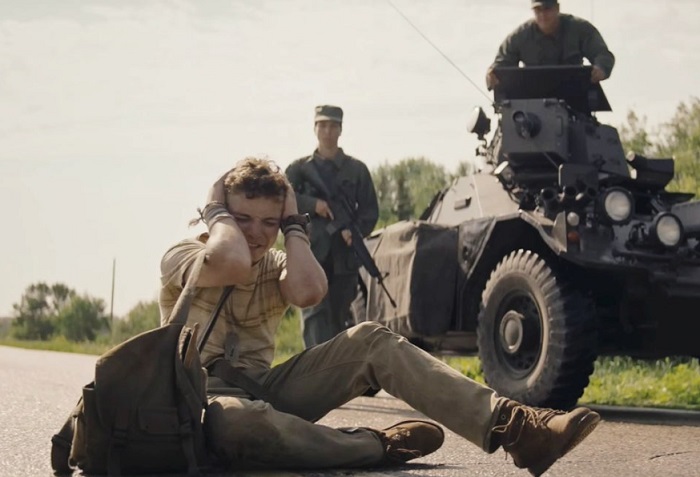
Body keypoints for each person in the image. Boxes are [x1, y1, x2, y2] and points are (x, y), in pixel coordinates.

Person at [159, 156, 601, 475]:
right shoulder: (185, 255)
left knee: (371, 340)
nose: (256, 234)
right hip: (198, 403)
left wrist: (294, 224)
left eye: (268, 223)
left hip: (265, 391)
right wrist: (216, 214)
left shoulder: (278, 263)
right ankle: (375, 445)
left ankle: (518, 430)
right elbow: (232, 263)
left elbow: (309, 291)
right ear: (219, 215)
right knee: (239, 423)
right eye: (242, 218)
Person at [285, 105, 379, 348]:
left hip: (343, 258)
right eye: (323, 125)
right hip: (310, 254)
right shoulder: (298, 170)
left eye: (333, 126)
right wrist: (312, 204)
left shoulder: (356, 170)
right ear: (315, 128)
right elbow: (282, 203)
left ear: (340, 130)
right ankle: (315, 368)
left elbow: (370, 211)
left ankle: (338, 369)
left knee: (341, 319)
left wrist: (355, 231)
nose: (328, 131)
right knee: (314, 317)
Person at [486, 0, 615, 90]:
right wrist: (493, 74)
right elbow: (502, 63)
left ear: (557, 8)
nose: (542, 15)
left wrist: (600, 69)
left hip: (574, 96)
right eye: (538, 10)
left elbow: (602, 54)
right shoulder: (520, 36)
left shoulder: (579, 29)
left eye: (547, 9)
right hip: (533, 99)